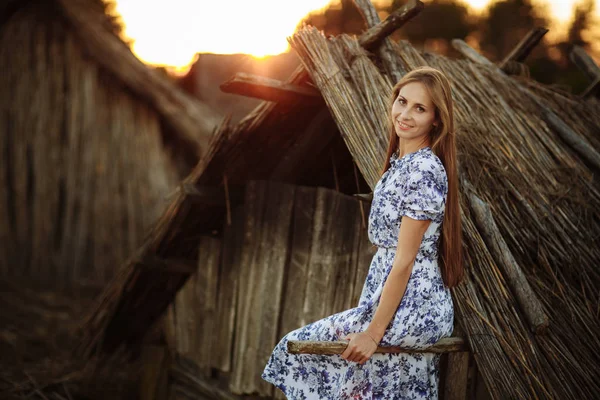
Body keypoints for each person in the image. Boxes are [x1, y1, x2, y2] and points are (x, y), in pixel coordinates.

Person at [261, 66, 464, 399]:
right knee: (366, 386)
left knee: (300, 349)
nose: (405, 114)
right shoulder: (400, 163)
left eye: (420, 108)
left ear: (436, 120)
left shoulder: (425, 168)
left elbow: (404, 261)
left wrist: (373, 333)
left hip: (416, 304)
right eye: (402, 101)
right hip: (393, 300)